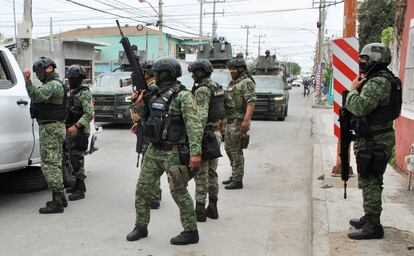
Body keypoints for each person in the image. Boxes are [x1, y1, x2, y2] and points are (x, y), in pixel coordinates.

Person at [126, 57, 203, 245]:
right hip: (153, 150)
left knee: (178, 192)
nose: (154, 75)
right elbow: (143, 115)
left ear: (165, 73)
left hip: (173, 152)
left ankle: (191, 231)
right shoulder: (152, 93)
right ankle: (141, 227)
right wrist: (138, 105)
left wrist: (195, 153)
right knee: (142, 189)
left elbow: (194, 126)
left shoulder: (183, 96)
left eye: (157, 72)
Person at [345, 43, 401, 240]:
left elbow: (360, 108)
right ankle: (370, 216)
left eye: (366, 59)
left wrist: (352, 90)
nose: (363, 62)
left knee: (369, 181)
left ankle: (373, 226)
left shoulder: (377, 82)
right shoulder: (386, 79)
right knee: (374, 180)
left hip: (373, 140)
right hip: (379, 137)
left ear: (376, 61)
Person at [23, 57, 67, 214]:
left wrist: (27, 81)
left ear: (49, 69)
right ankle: (60, 197)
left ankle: (57, 202)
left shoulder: (53, 85)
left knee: (50, 164)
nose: (38, 75)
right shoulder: (53, 84)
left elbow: (36, 96)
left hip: (51, 128)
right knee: (55, 161)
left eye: (39, 72)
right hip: (52, 127)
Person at [188, 59, 225, 222]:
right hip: (215, 134)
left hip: (205, 136)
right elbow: (227, 107)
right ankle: (213, 208)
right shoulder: (217, 86)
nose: (192, 75)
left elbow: (200, 118)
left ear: (201, 72)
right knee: (212, 173)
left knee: (201, 175)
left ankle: (200, 211)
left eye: (194, 72)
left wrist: (194, 143)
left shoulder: (202, 90)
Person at [130, 61, 162, 210]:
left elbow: (140, 113)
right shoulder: (149, 87)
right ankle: (154, 195)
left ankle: (154, 196)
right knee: (149, 163)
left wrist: (136, 104)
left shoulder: (154, 88)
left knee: (150, 165)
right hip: (148, 128)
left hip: (152, 130)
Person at [222, 57, 256, 189]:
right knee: (228, 148)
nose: (231, 71)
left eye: (233, 69)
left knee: (236, 150)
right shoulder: (234, 83)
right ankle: (234, 173)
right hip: (229, 120)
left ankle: (237, 179)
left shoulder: (247, 82)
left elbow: (251, 102)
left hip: (239, 120)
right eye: (230, 69)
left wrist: (246, 120)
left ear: (241, 69)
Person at [65, 64, 94, 201]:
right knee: (72, 158)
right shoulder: (71, 92)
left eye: (75, 76)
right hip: (71, 129)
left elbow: (89, 113)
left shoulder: (84, 93)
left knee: (77, 159)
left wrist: (76, 126)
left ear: (81, 78)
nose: (72, 78)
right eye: (70, 76)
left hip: (80, 130)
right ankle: (76, 185)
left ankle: (81, 188)